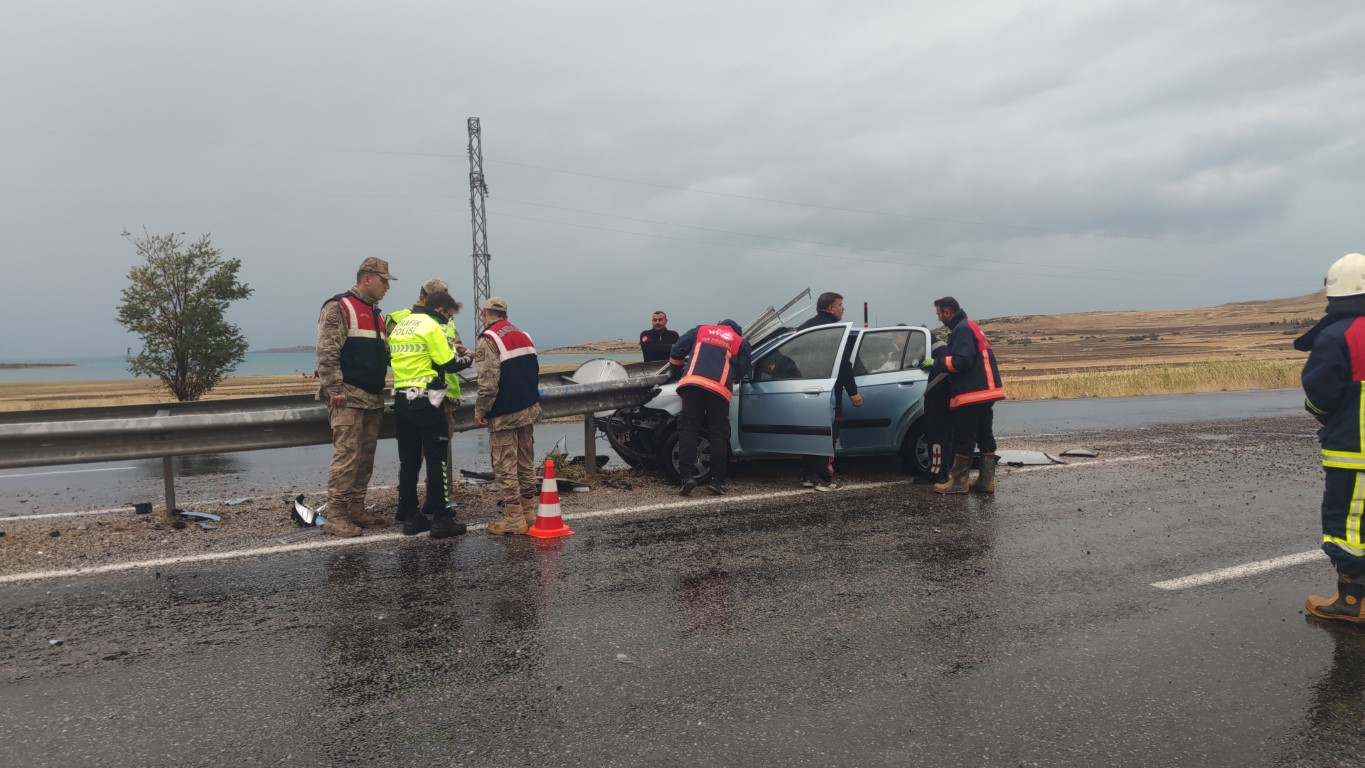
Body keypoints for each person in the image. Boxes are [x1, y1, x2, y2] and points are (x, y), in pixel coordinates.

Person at [1299, 253, 1365, 622]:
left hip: (1355, 451)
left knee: (1347, 525)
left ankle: (1352, 602)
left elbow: (1319, 394)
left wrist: (1326, 416)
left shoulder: (1341, 334)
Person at [315, 257, 395, 537]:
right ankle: (336, 514)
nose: (387, 286)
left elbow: (386, 353)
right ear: (367, 279)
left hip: (373, 397)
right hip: (347, 397)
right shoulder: (339, 306)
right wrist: (334, 388)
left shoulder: (377, 314)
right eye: (384, 281)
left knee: (365, 458)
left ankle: (356, 508)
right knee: (347, 457)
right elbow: (327, 351)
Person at [389, 290, 473, 539]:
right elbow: (448, 364)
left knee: (409, 461)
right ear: (439, 311)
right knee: (437, 460)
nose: (448, 321)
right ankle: (441, 518)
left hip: (402, 398)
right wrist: (468, 358)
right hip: (426, 400)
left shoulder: (402, 325)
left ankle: (410, 516)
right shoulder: (431, 325)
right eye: (448, 316)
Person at [474, 297, 542, 536]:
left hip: (504, 412)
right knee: (525, 461)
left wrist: (481, 410)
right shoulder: (524, 335)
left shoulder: (488, 339)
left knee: (505, 464)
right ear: (505, 314)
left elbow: (488, 384)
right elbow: (532, 370)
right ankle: (528, 512)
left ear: (485, 313)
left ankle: (514, 517)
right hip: (527, 408)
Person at [924, 296, 1005, 495]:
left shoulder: (961, 330)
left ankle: (959, 482)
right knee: (984, 436)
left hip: (971, 393)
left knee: (964, 438)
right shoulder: (970, 326)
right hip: (985, 392)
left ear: (947, 312)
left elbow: (962, 361)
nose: (938, 318)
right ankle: (986, 481)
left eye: (939, 314)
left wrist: (937, 363)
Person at [668, 319, 753, 496]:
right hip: (718, 390)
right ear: (737, 331)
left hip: (692, 385)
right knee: (718, 434)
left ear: (718, 325)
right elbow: (743, 369)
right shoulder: (740, 341)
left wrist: (675, 372)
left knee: (688, 429)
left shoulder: (701, 330)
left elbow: (677, 350)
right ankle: (717, 482)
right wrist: (730, 375)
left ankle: (687, 478)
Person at [795, 292, 862, 491]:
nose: (843, 308)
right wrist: (853, 392)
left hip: (804, 389)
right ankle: (825, 478)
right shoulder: (837, 331)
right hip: (829, 391)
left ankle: (807, 475)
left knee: (810, 432)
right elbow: (843, 365)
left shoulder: (803, 328)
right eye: (841, 304)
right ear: (831, 308)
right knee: (829, 433)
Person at [913, 324, 954, 485]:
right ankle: (939, 471)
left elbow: (943, 372)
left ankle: (938, 474)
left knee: (938, 438)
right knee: (940, 437)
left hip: (940, 400)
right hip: (942, 399)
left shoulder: (938, 351)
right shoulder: (937, 348)